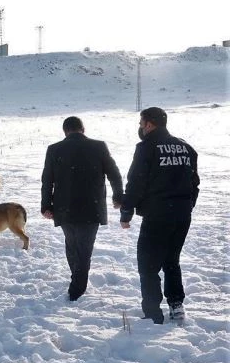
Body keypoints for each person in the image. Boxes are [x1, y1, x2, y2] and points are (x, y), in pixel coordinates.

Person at [120, 107, 199, 324]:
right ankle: (176, 305)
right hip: (182, 216)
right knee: (172, 260)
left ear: (149, 124)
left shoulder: (147, 148)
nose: (140, 127)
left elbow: (136, 182)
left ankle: (153, 313)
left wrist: (126, 212)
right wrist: (187, 205)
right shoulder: (186, 147)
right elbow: (194, 183)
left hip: (157, 215)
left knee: (148, 265)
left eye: (141, 122)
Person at [41, 116, 123, 301]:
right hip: (91, 207)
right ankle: (77, 287)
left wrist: (46, 205)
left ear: (65, 131)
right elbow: (114, 174)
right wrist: (118, 196)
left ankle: (76, 283)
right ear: (83, 129)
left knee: (71, 244)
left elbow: (47, 179)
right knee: (84, 248)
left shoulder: (54, 149)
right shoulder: (99, 146)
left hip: (64, 207)